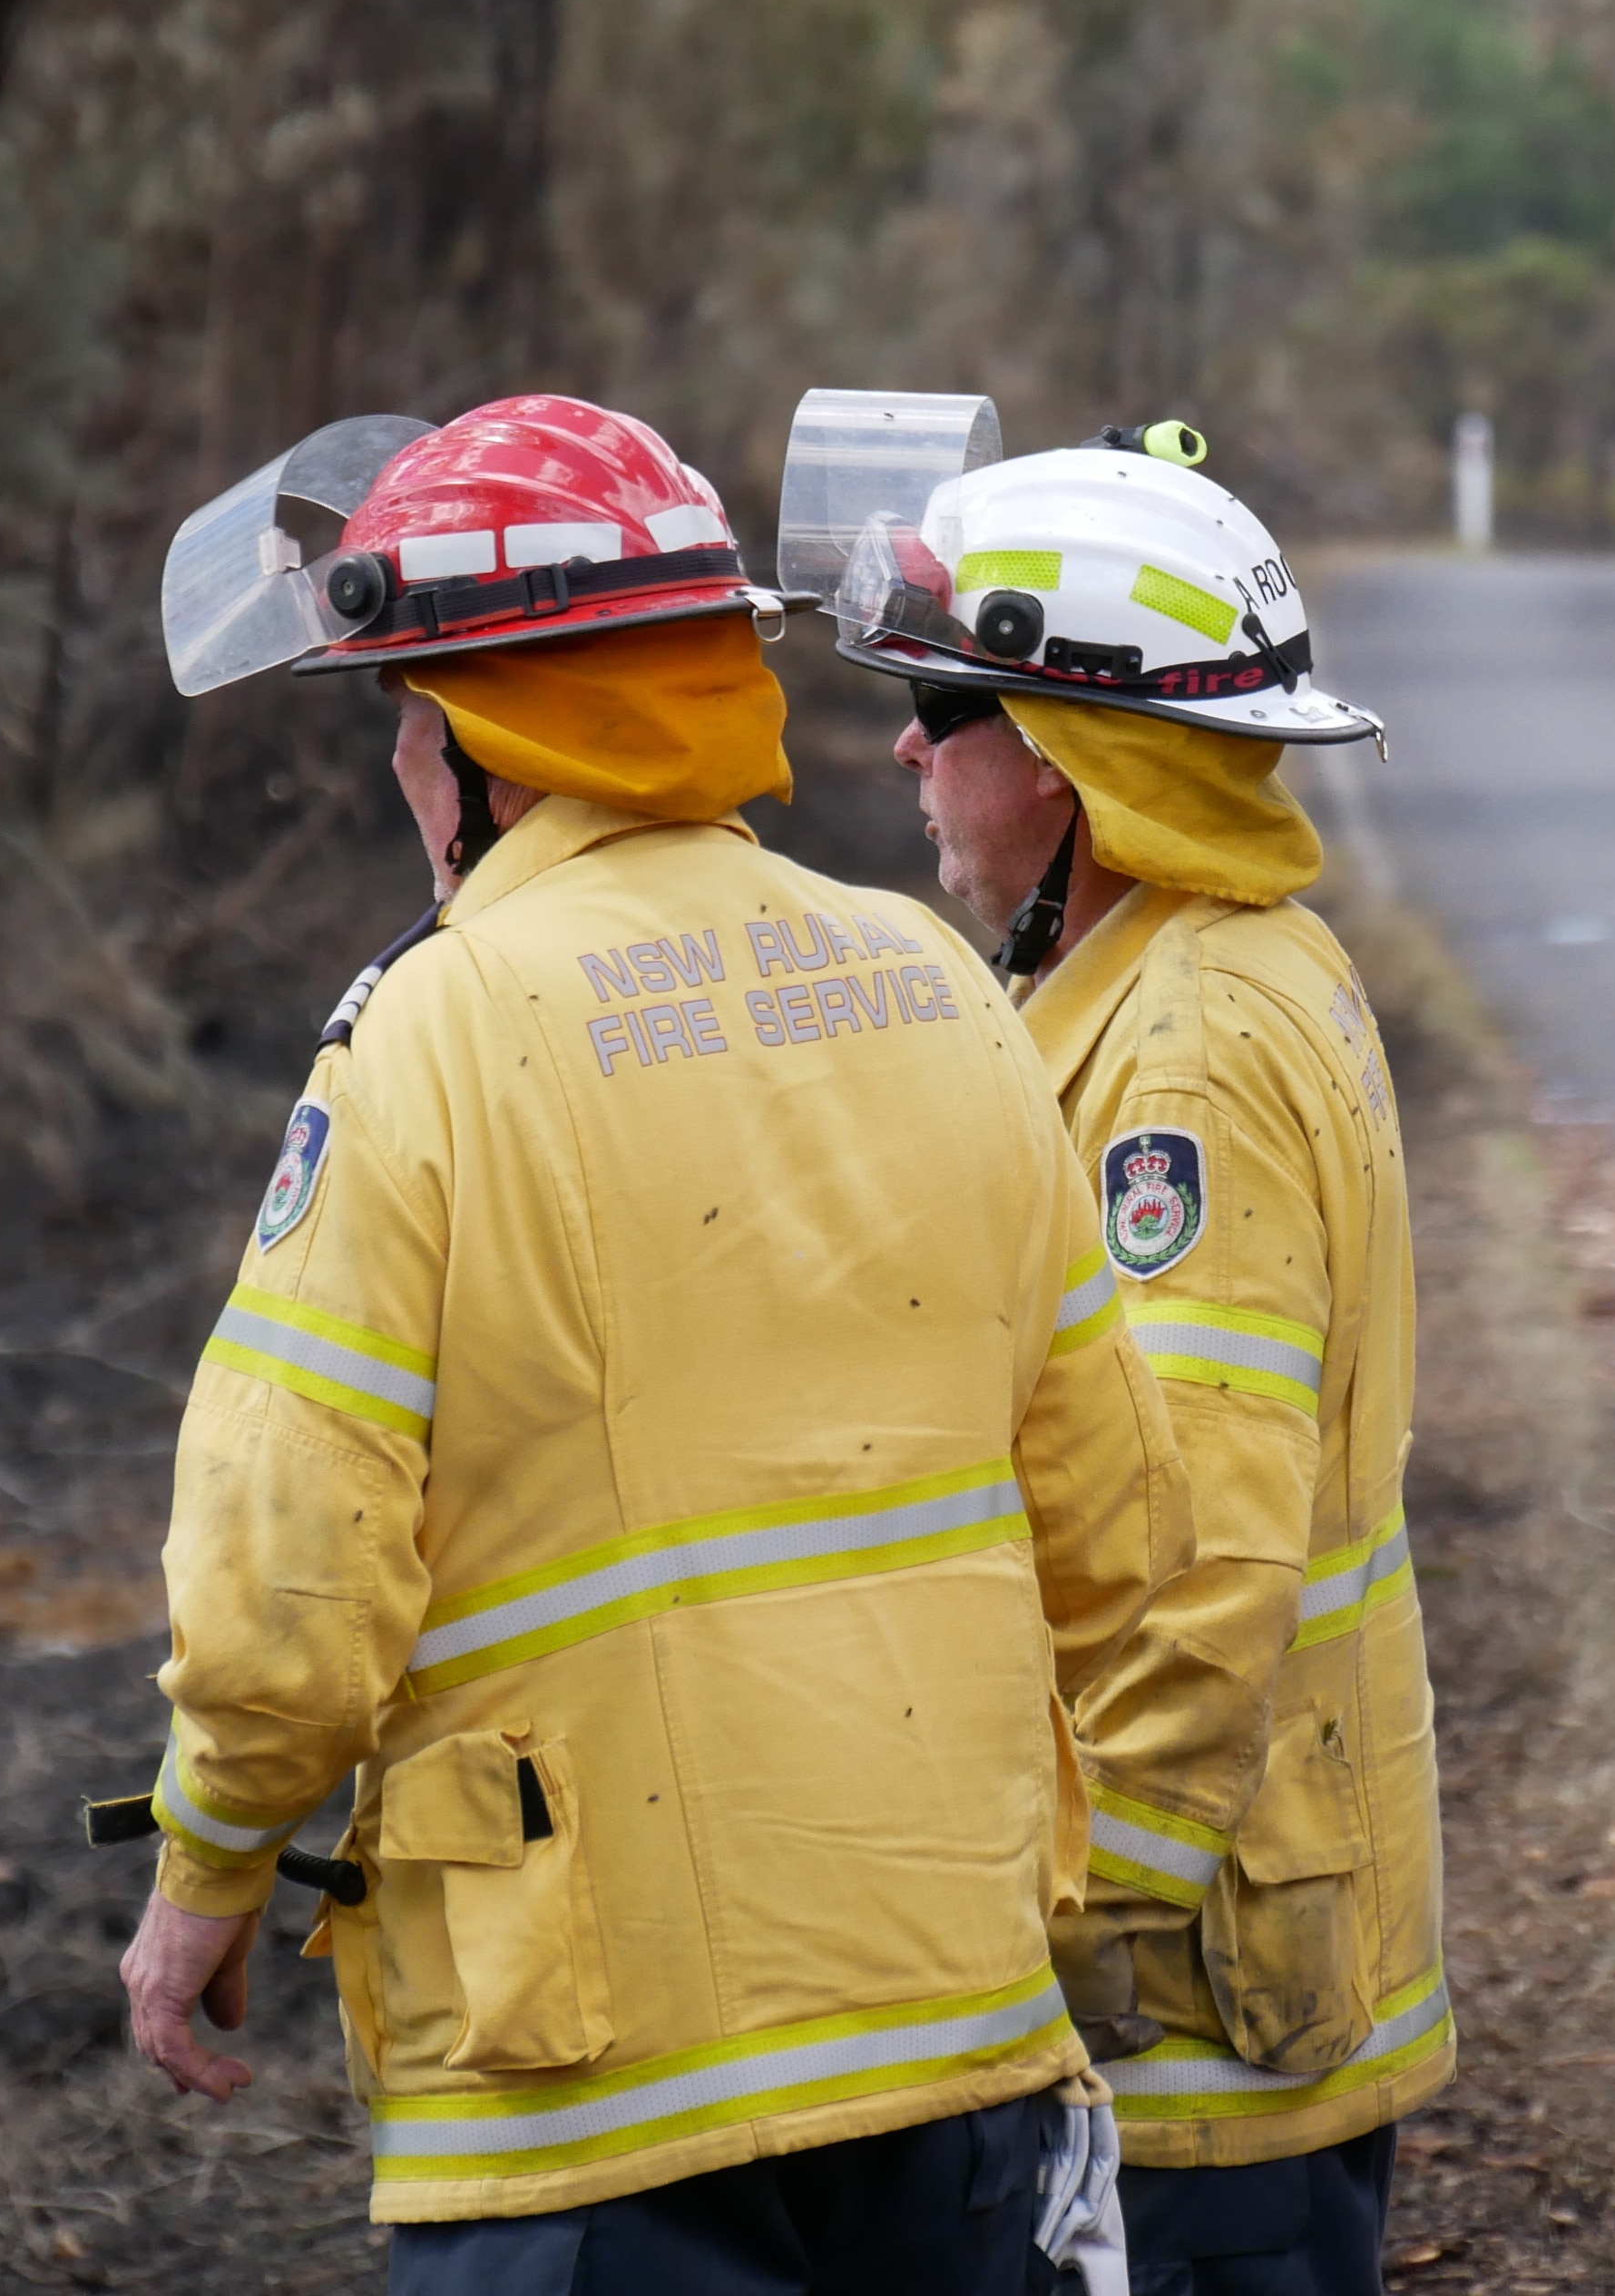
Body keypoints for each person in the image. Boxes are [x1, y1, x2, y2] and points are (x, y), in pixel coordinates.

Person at [123, 392, 1194, 2292]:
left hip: (588, 2100)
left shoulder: (426, 1041)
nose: (398, 766)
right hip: (953, 2029)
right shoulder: (934, 982)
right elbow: (1118, 1521)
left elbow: (289, 1582)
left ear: (474, 743)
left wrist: (205, 1868)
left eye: (400, 721)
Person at [803, 402, 1449, 2296]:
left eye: (947, 706)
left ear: (1072, 759)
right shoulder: (1211, 962)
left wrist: (1083, 1924)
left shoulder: (1186, 1052)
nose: (909, 748)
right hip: (1230, 1939)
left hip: (1187, 2009)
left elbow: (1200, 1551)